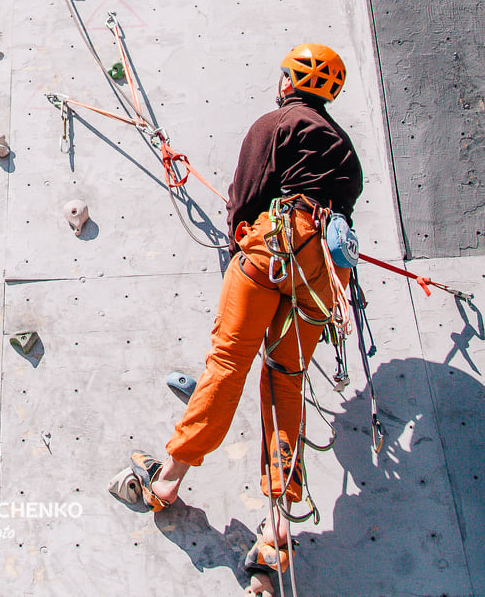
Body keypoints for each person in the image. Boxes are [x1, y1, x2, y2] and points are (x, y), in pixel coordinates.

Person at [132, 44, 363, 591]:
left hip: (272, 249)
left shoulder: (277, 122)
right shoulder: (343, 146)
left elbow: (245, 196)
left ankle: (168, 479)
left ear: (288, 81)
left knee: (229, 362)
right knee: (285, 380)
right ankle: (279, 525)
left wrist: (239, 235)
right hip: (325, 271)